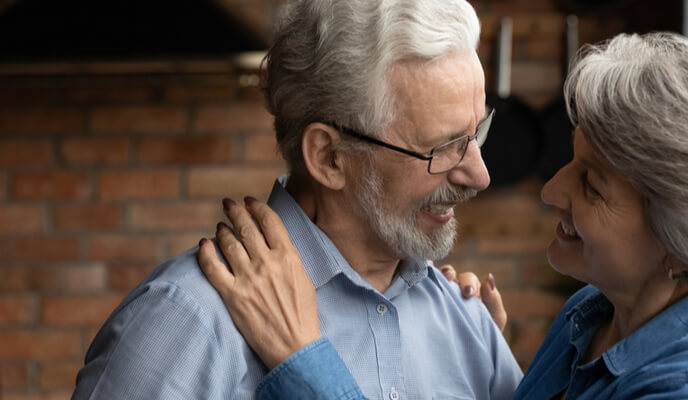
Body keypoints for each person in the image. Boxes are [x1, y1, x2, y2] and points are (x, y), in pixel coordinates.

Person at [199, 32, 688, 399]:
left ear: (684, 243)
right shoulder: (598, 313)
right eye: (570, 162)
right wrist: (487, 366)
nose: (551, 191)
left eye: (592, 185)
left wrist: (302, 358)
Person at [73, 0, 523, 398]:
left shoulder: (468, 322)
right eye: (441, 148)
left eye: (476, 132)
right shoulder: (184, 322)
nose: (479, 176)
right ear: (329, 157)